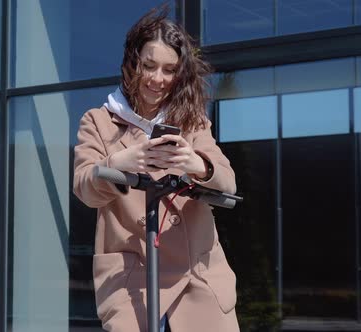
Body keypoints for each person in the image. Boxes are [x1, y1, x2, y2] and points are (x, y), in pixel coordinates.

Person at [73, 6, 240, 332]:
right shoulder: (98, 121)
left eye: (169, 70)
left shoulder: (193, 122)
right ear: (131, 63)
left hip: (197, 281)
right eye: (148, 66)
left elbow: (228, 183)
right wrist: (117, 164)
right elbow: (84, 187)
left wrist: (197, 164)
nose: (157, 79)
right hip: (133, 282)